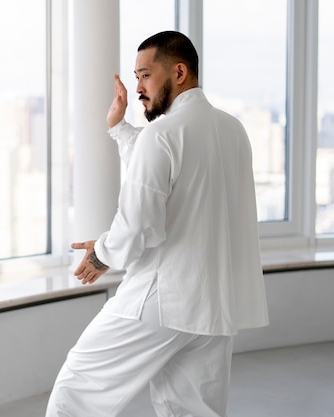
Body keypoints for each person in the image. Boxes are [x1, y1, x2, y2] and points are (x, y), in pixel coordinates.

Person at [45, 30, 269, 417]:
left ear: (179, 72)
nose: (137, 88)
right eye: (135, 77)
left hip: (163, 297)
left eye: (145, 75)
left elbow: (138, 225)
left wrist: (100, 254)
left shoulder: (162, 135)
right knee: (191, 410)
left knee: (77, 389)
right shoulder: (232, 130)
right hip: (213, 303)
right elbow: (170, 175)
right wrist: (119, 128)